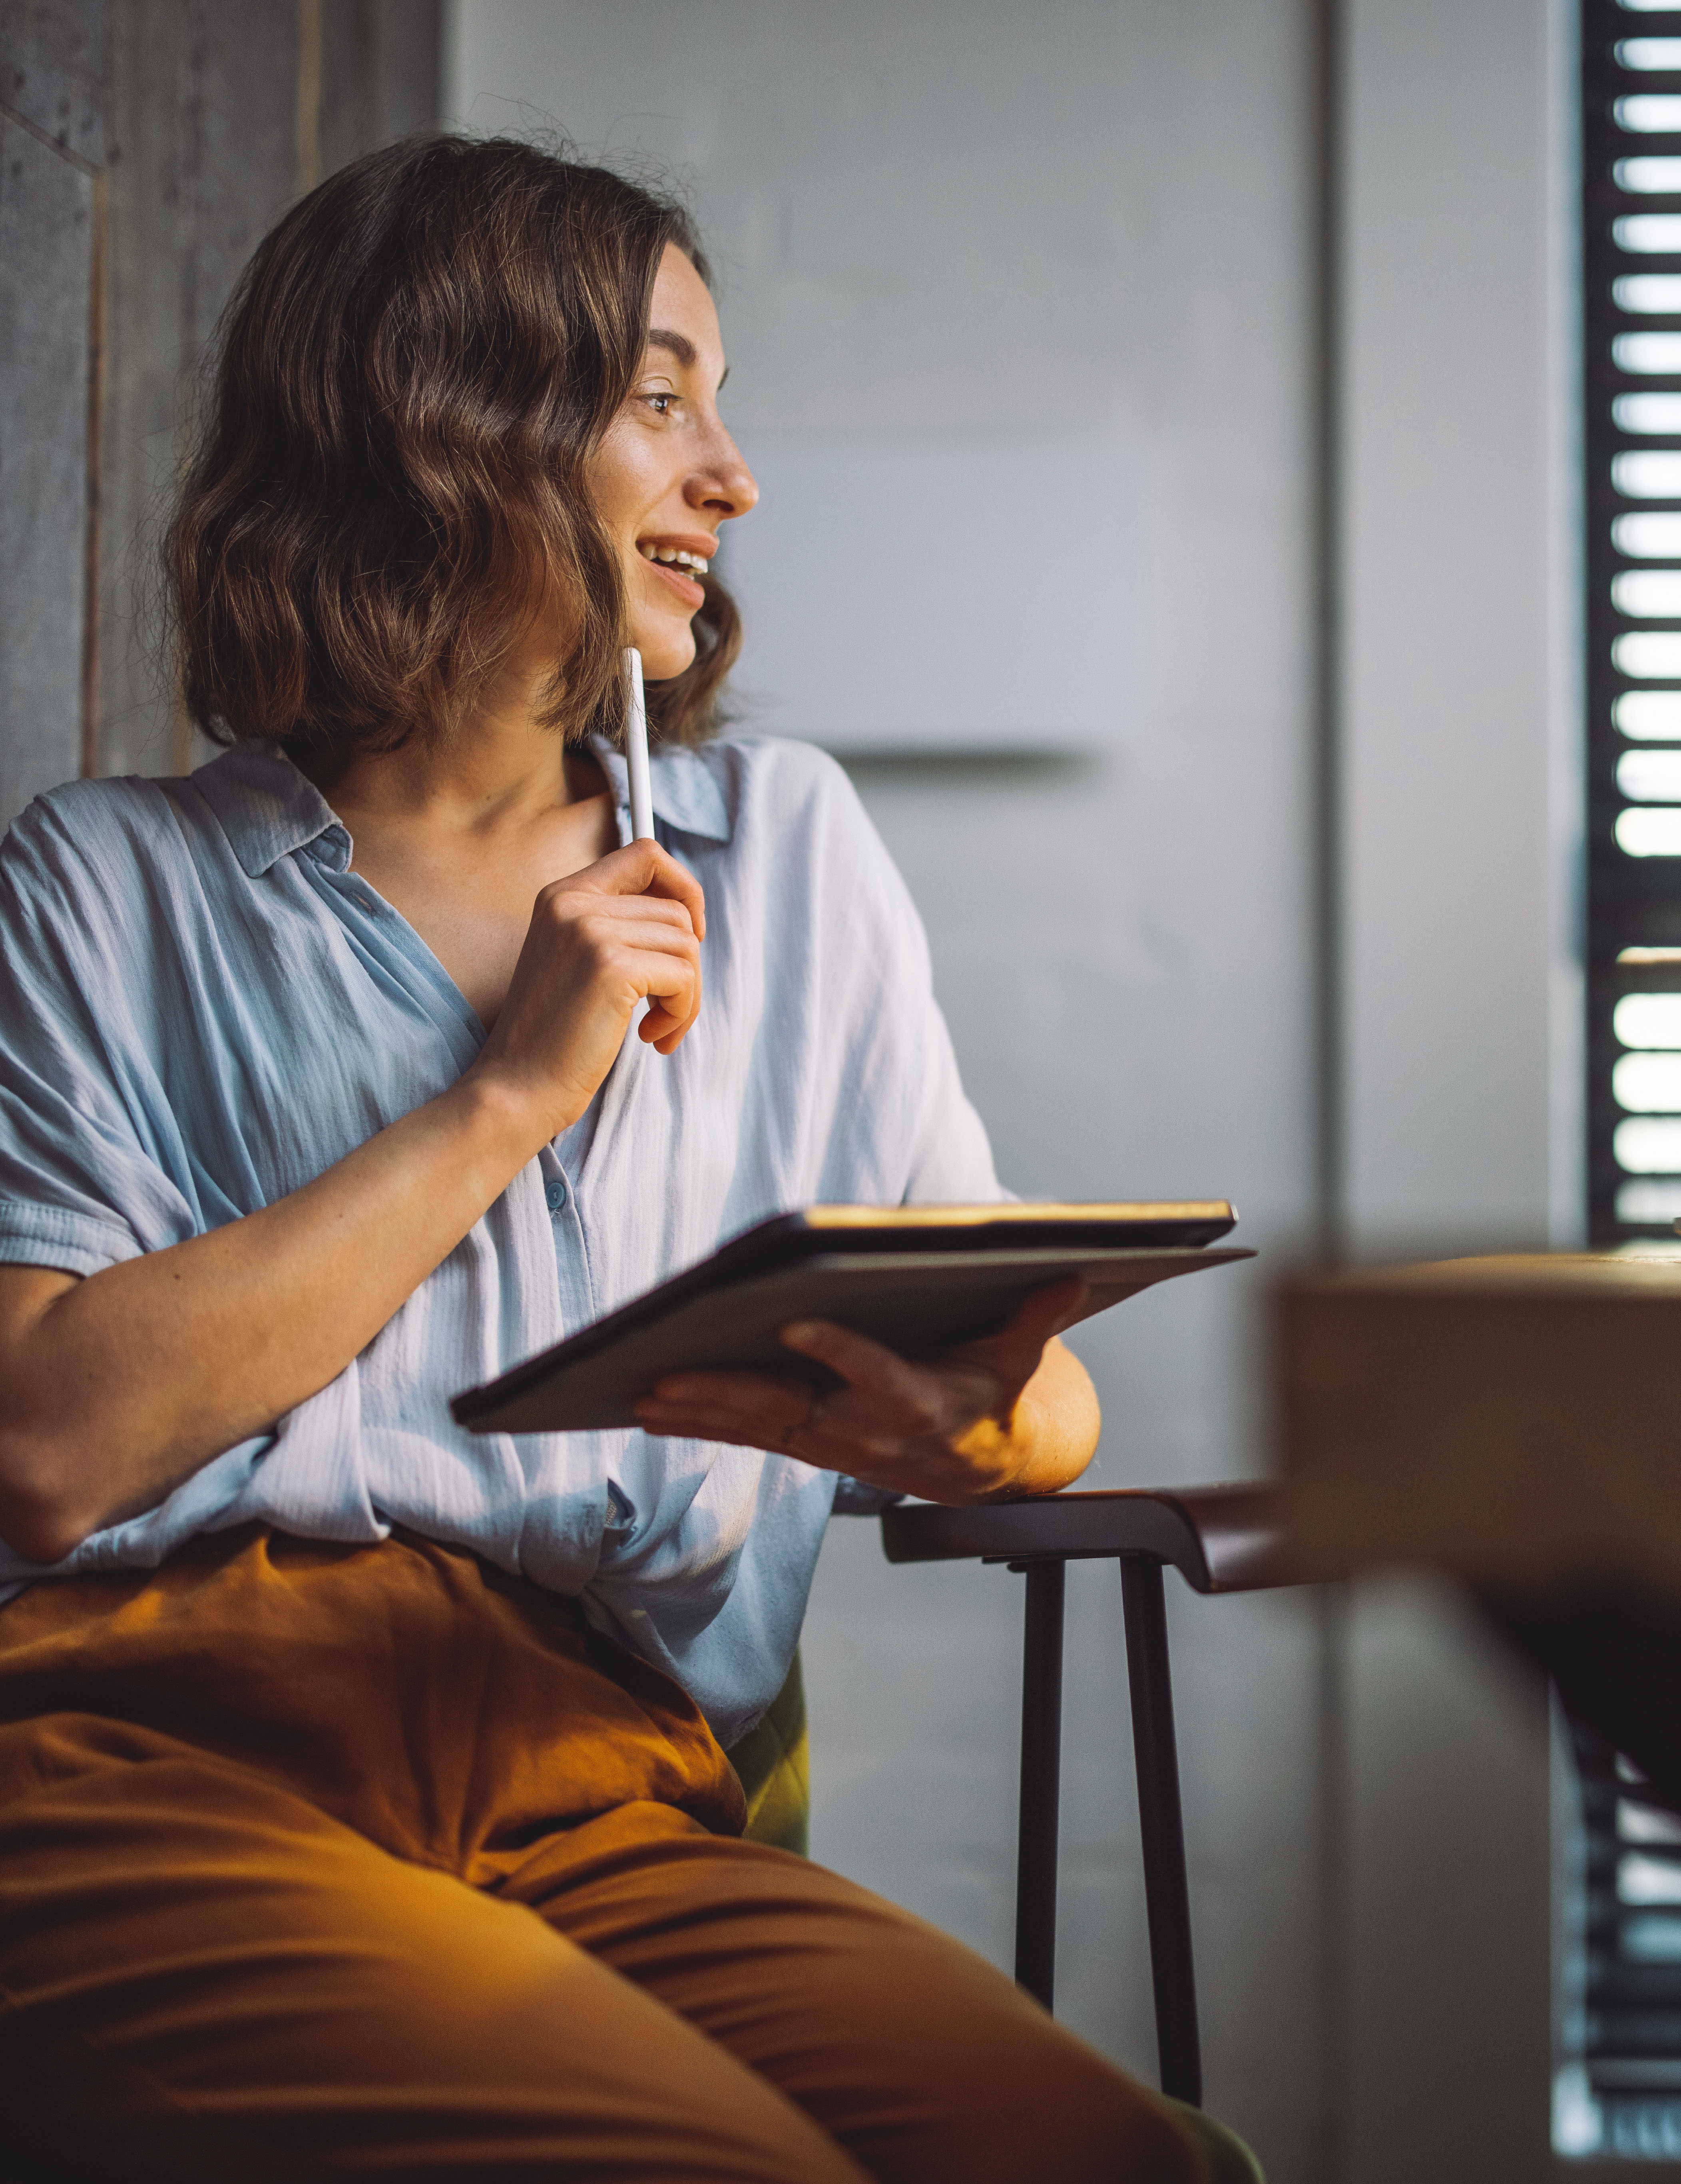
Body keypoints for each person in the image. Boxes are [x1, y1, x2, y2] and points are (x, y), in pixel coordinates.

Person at [0, 135, 1235, 2183]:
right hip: (146, 1748)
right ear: (443, 421)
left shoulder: (793, 853)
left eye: (714, 399)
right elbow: (41, 1447)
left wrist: (976, 1424)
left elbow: (1036, 1370)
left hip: (604, 1779)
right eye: (661, 396)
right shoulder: (104, 885)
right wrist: (507, 1094)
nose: (730, 476)